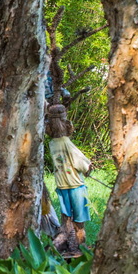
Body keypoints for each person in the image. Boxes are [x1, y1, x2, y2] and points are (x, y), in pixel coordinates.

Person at [45, 104, 91, 256]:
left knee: (67, 218)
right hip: (76, 185)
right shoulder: (66, 142)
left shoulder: (52, 144)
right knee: (79, 221)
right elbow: (82, 163)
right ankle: (79, 247)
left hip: (62, 185)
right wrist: (89, 168)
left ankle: (69, 245)